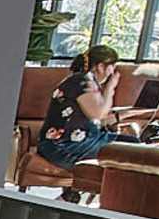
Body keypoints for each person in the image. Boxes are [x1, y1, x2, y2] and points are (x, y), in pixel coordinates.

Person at [27, 44, 124, 191]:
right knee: (125, 153)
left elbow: (97, 118)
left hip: (79, 141)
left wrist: (126, 114)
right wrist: (110, 88)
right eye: (112, 67)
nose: (113, 72)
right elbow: (98, 113)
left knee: (131, 144)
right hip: (63, 147)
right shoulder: (83, 82)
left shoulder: (84, 81)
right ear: (100, 66)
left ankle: (72, 196)